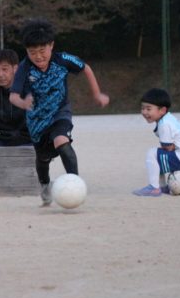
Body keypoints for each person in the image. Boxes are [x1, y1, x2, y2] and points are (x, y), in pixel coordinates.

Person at [9, 18, 109, 206]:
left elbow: (85, 68)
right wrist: (22, 103)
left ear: (51, 45)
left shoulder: (62, 59)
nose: (38, 56)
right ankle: (44, 185)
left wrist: (97, 94)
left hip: (60, 113)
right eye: (32, 52)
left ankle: (75, 184)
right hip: (37, 121)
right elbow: (13, 96)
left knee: (62, 141)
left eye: (42, 51)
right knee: (43, 159)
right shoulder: (24, 67)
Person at [132, 88, 180, 196]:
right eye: (142, 108)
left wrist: (168, 148)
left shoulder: (164, 124)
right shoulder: (168, 119)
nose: (144, 112)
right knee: (158, 155)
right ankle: (162, 187)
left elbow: (168, 147)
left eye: (148, 109)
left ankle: (154, 187)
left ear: (162, 110)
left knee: (152, 153)